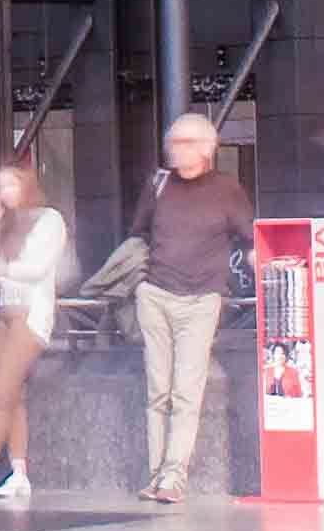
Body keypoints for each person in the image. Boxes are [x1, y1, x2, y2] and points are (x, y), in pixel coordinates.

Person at [99, 111, 252, 506]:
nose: (173, 149)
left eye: (183, 142)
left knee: (185, 391)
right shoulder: (159, 184)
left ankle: (174, 475)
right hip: (155, 295)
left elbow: (249, 238)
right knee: (158, 390)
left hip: (201, 300)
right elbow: (139, 233)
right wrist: (142, 283)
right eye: (171, 141)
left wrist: (266, 266)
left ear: (206, 149)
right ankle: (156, 475)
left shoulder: (227, 190)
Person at [0, 157, 71, 503]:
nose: (6, 192)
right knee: (12, 395)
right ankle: (19, 473)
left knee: (1, 392)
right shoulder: (3, 222)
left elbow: (37, 268)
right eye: (1, 186)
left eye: (12, 184)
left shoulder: (49, 220)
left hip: (30, 315)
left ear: (27, 184)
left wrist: (1, 270)